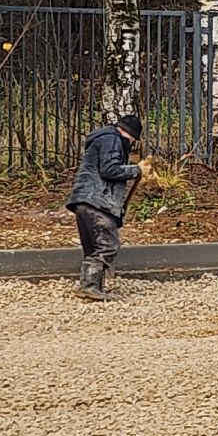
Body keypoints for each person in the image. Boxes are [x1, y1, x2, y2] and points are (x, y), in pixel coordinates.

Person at [66, 114, 153, 301]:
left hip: (84, 200)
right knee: (108, 245)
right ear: (128, 134)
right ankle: (89, 286)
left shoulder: (103, 138)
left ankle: (93, 287)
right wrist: (136, 170)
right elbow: (110, 169)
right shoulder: (112, 139)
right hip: (96, 201)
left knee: (94, 246)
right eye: (132, 139)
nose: (131, 143)